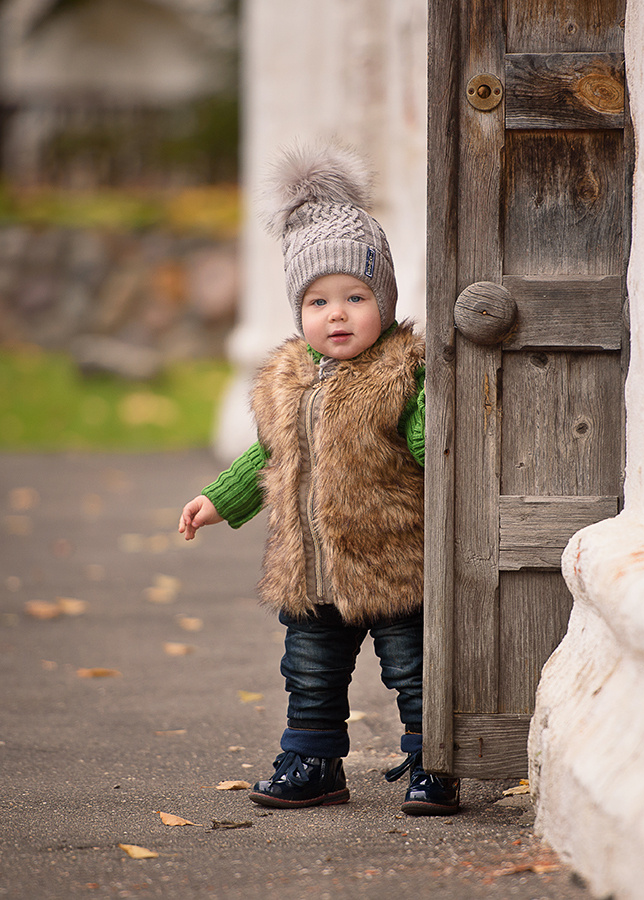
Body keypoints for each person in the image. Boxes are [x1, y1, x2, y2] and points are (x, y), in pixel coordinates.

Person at [178, 142, 459, 816]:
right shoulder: (288, 378)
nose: (337, 314)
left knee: (414, 670)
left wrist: (436, 438)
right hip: (309, 569)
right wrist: (218, 499)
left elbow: (432, 447)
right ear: (298, 310)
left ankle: (434, 761)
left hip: (390, 562)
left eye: (355, 297)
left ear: (384, 301)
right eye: (318, 300)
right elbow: (269, 456)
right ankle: (313, 761)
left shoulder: (403, 375)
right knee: (308, 674)